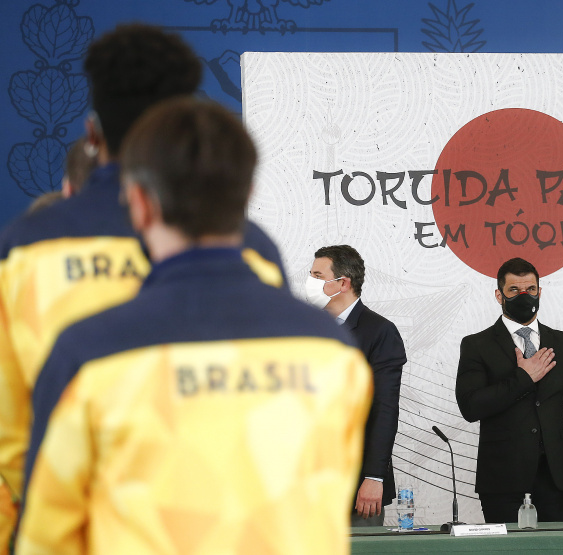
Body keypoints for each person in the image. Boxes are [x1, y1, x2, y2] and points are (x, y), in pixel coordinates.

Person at [17, 98, 372, 554]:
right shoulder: (334, 350)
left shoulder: (86, 352)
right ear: (246, 195)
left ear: (139, 204)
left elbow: (47, 539)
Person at [0, 24, 287, 547]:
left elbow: (11, 433)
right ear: (182, 127)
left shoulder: (21, 250)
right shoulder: (250, 249)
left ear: (93, 133)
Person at [455, 257, 563, 523]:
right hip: (502, 479)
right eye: (514, 291)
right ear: (499, 295)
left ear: (539, 292)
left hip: (557, 480)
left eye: (530, 289)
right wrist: (523, 377)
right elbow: (470, 407)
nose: (524, 296)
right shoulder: (476, 345)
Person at [305, 245, 407, 526]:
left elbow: (384, 409)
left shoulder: (379, 332)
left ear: (343, 283)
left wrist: (374, 478)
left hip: (355, 486)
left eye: (317, 275)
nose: (309, 282)